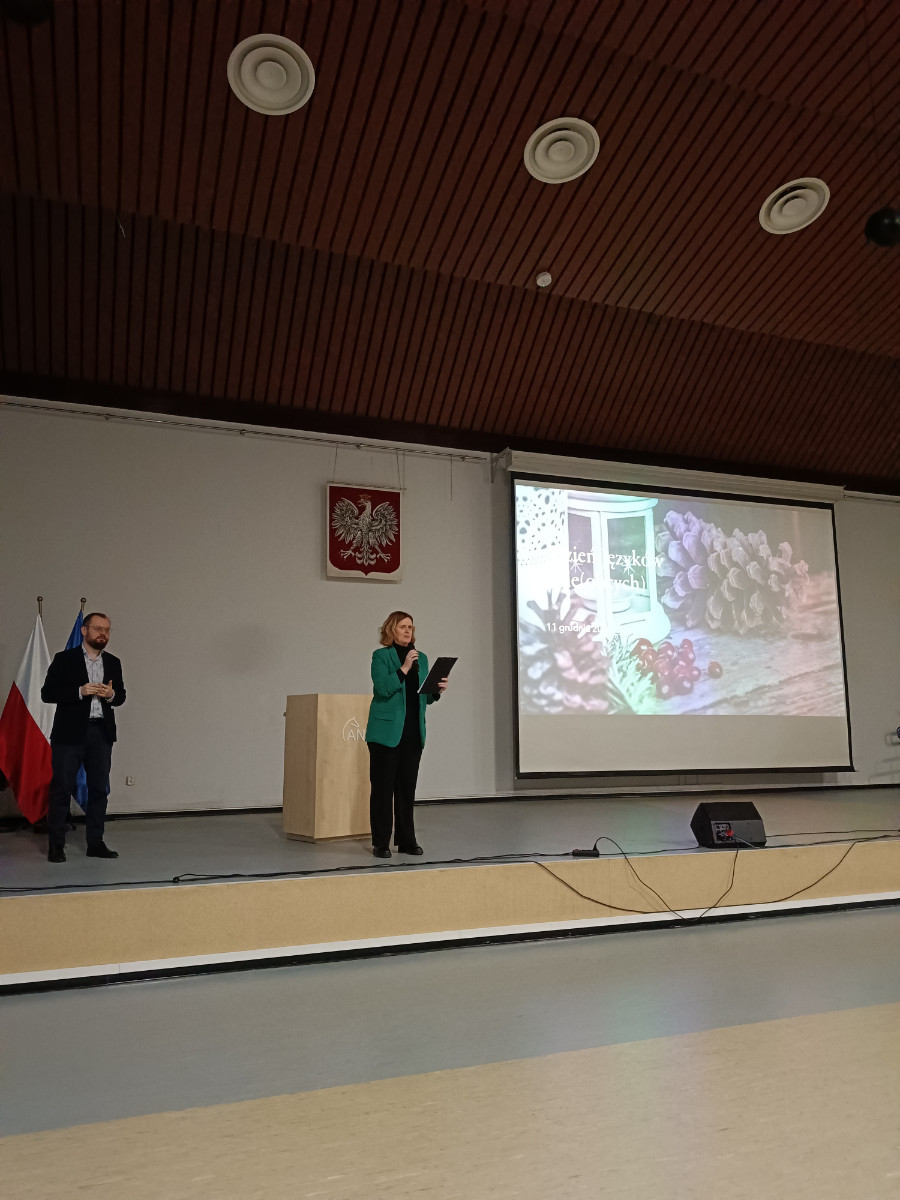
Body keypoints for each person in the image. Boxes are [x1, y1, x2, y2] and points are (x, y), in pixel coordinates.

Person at [40, 612, 126, 863]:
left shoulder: (113, 662)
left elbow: (121, 696)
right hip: (69, 735)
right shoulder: (64, 659)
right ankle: (56, 846)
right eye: (98, 628)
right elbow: (47, 693)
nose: (103, 634)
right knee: (61, 789)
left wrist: (111, 695)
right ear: (84, 630)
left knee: (99, 790)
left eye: (107, 630)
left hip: (101, 734)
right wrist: (80, 691)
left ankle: (95, 843)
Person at [365, 611, 447, 858]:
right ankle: (381, 843)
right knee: (383, 790)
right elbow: (382, 689)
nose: (408, 631)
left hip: (413, 732)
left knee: (406, 790)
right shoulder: (381, 656)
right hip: (386, 734)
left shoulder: (422, 657)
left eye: (410, 627)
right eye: (403, 626)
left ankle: (406, 841)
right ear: (392, 630)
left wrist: (436, 690)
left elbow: (424, 698)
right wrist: (404, 668)